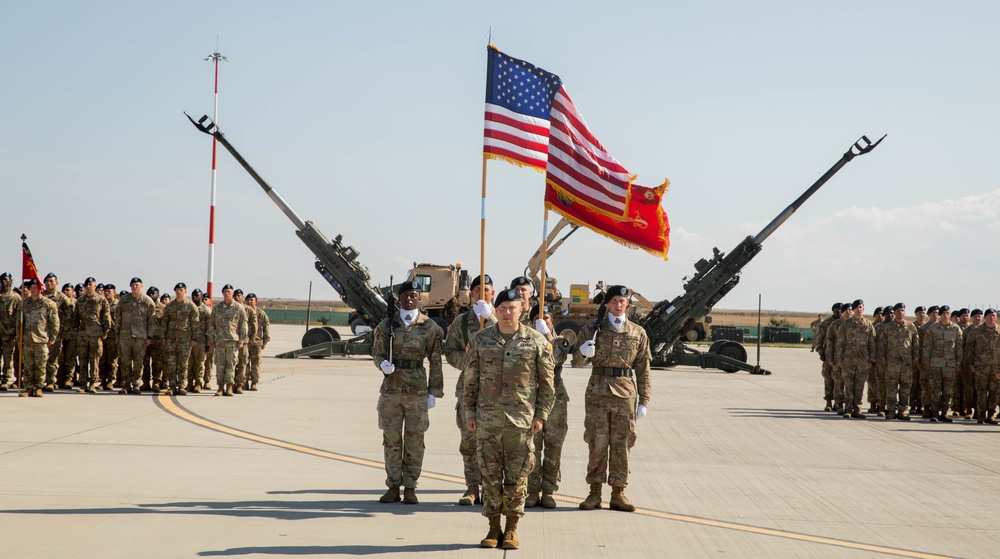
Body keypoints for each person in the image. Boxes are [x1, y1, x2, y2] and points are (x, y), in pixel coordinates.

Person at [463, 288, 554, 550]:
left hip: (521, 422)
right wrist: (469, 412)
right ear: (496, 310)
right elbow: (471, 381)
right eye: (501, 308)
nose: (506, 312)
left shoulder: (536, 341)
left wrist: (541, 415)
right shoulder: (481, 340)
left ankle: (512, 529)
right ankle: (493, 529)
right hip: (488, 420)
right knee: (491, 477)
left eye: (511, 308)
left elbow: (547, 385)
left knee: (517, 478)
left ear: (521, 309)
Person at [574, 284, 652, 512]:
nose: (619, 305)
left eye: (623, 301)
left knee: (622, 444)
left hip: (625, 395)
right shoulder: (592, 329)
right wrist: (582, 353)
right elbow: (576, 362)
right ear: (607, 304)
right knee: (597, 442)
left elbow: (644, 369)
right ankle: (594, 493)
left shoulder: (637, 332)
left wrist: (644, 401)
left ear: (628, 304)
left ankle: (619, 493)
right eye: (615, 301)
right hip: (598, 393)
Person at [371, 280, 444, 505]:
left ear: (419, 298)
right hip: (391, 391)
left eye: (413, 295)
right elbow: (377, 353)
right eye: (405, 295)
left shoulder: (430, 327)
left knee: (415, 441)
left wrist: (434, 391)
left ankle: (411, 486)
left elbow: (435, 360)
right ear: (399, 298)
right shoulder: (386, 325)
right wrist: (382, 364)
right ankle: (393, 486)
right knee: (391, 440)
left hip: (417, 392)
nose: (409, 299)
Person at [443, 274, 496, 506]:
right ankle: (472, 488)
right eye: (477, 290)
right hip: (469, 391)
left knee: (494, 444)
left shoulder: (504, 318)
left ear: (492, 293)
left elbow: (515, 344)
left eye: (486, 290)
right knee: (469, 443)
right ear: (471, 294)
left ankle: (491, 489)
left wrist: (491, 319)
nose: (481, 294)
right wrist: (469, 362)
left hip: (496, 393)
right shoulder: (461, 322)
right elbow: (450, 351)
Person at [524, 303, 571, 510]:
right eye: (537, 319)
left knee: (554, 448)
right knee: (532, 447)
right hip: (531, 398)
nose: (542, 322)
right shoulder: (526, 339)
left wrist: (549, 338)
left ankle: (549, 490)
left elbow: (558, 358)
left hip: (556, 400)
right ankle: (532, 491)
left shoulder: (559, 341)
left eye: (547, 318)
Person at [877, 303, 919, 420]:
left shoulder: (910, 327)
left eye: (903, 310)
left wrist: (915, 359)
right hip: (892, 363)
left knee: (905, 388)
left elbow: (916, 345)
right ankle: (891, 410)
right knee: (891, 388)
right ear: (894, 312)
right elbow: (882, 345)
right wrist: (883, 360)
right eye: (899, 311)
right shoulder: (888, 327)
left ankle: (902, 411)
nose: (901, 313)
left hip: (906, 364)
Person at [19, 279, 59, 398]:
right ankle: (29, 388)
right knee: (28, 365)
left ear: (40, 288)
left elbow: (55, 322)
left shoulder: (48, 303)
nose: (33, 289)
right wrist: (19, 337)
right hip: (27, 339)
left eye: (35, 287)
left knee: (41, 365)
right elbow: (19, 323)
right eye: (31, 287)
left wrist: (52, 337)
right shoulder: (24, 304)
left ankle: (39, 387)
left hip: (42, 339)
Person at [922, 305, 962, 422]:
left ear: (950, 315)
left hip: (950, 364)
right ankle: (934, 412)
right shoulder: (933, 328)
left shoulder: (956, 329)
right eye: (943, 313)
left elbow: (959, 347)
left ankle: (944, 412)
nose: (945, 315)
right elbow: (927, 346)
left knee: (948, 390)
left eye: (948, 313)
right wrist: (926, 361)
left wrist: (959, 362)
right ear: (940, 314)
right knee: (935, 388)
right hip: (935, 364)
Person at [837, 299, 876, 419]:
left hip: (862, 360)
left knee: (860, 385)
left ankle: (857, 409)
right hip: (848, 359)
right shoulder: (846, 324)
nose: (860, 309)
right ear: (853, 309)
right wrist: (839, 358)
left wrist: (871, 359)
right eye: (858, 307)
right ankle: (848, 409)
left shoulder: (868, 324)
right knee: (849, 385)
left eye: (862, 307)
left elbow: (872, 343)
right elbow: (840, 342)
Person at [116, 278, 155, 394]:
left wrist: (149, 337)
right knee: (125, 361)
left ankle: (136, 384)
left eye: (137, 285)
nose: (135, 287)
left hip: (140, 337)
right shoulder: (123, 300)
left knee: (138, 362)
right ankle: (126, 384)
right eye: (133, 285)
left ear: (141, 286)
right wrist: (117, 334)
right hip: (125, 336)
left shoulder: (147, 301)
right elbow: (118, 318)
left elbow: (152, 321)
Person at [208, 284, 247, 397]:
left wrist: (241, 340)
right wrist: (211, 339)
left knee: (231, 364)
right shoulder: (217, 308)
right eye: (225, 292)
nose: (227, 293)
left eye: (229, 291)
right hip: (220, 341)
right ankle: (220, 388)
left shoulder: (239, 308)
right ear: (222, 293)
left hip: (232, 341)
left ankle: (229, 387)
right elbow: (211, 325)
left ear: (233, 293)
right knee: (220, 365)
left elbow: (243, 325)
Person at [74, 277, 111, 393]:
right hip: (83, 334)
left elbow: (106, 317)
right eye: (87, 285)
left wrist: (105, 332)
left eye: (91, 284)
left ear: (95, 286)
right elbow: (75, 318)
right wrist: (76, 332)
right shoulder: (80, 301)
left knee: (94, 360)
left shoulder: (101, 300)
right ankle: (83, 384)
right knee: (83, 359)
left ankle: (92, 383)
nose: (88, 287)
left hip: (96, 334)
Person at [161, 283, 199, 395]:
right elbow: (164, 324)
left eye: (181, 290)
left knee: (183, 364)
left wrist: (194, 338)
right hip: (171, 340)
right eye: (177, 290)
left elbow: (195, 324)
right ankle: (172, 386)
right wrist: (163, 338)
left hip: (185, 340)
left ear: (185, 291)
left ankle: (182, 386)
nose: (179, 292)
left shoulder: (191, 306)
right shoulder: (170, 306)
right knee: (171, 364)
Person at [41, 272, 73, 391]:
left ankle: (50, 381)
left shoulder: (61, 297)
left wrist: (63, 330)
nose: (49, 283)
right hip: (41, 332)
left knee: (53, 359)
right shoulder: (41, 296)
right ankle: (41, 381)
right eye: (47, 281)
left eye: (52, 281)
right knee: (42, 358)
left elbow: (70, 315)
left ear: (57, 283)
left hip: (55, 333)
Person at [815, 303, 841, 411]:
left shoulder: (846, 323)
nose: (838, 311)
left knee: (839, 380)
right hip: (828, 356)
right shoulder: (826, 323)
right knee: (828, 378)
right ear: (833, 310)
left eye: (840, 309)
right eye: (836, 309)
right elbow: (819, 338)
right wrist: (821, 352)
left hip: (840, 357)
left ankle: (838, 402)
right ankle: (829, 402)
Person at [0, 272, 22, 391]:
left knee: (8, 357)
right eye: (3, 280)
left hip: (9, 333)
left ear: (11, 281)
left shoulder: (15, 297)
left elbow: (18, 317)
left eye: (7, 280)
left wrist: (17, 332)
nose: (4, 282)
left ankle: (5, 380)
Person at [187, 288, 212, 393]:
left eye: (197, 295)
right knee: (189, 363)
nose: (195, 297)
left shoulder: (206, 311)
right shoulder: (188, 308)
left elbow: (209, 328)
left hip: (201, 342)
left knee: (199, 363)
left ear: (202, 297)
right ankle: (189, 383)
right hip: (188, 340)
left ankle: (198, 383)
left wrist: (208, 343)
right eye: (193, 295)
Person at [244, 293, 269, 390]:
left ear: (256, 301)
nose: (250, 302)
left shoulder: (261, 313)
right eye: (248, 300)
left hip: (257, 342)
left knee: (256, 364)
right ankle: (244, 382)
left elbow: (266, 327)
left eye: (252, 300)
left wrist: (265, 342)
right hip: (245, 342)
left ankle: (254, 383)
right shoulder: (243, 311)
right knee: (244, 364)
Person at [99, 284, 119, 390]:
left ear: (114, 293)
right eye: (105, 291)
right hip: (102, 335)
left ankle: (110, 381)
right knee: (102, 360)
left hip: (112, 336)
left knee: (112, 361)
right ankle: (102, 381)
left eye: (109, 292)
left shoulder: (118, 305)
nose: (107, 293)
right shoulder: (101, 303)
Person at [233, 289, 253, 394]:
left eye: (239, 296)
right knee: (232, 364)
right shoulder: (230, 308)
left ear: (242, 297)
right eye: (235, 296)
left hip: (244, 342)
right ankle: (231, 384)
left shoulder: (248, 310)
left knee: (242, 363)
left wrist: (251, 339)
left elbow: (254, 325)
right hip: (232, 340)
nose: (237, 297)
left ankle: (240, 384)